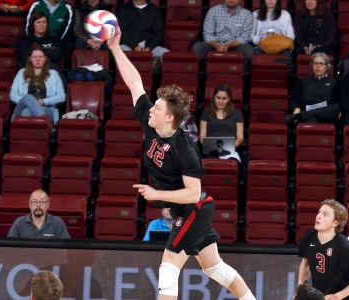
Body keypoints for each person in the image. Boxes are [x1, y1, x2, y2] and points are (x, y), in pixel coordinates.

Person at [108, 26, 256, 300]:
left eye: (158, 108)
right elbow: (134, 83)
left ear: (170, 118)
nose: (151, 108)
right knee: (215, 270)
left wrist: (157, 195)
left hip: (195, 209)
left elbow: (191, 192)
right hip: (185, 211)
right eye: (153, 105)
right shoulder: (151, 123)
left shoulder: (184, 147)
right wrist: (116, 47)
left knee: (168, 268)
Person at [298, 199, 349, 300]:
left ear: (335, 223)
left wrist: (338, 296)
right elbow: (305, 261)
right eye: (319, 212)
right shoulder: (309, 236)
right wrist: (300, 288)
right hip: (320, 297)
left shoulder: (344, 247)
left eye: (325, 214)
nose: (318, 216)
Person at [10, 45, 65, 125]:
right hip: (22, 106)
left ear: (45, 59)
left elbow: (61, 97)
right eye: (34, 57)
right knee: (28, 98)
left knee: (26, 112)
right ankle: (49, 126)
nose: (38, 59)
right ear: (30, 59)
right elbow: (12, 95)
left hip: (46, 108)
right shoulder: (21, 73)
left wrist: (44, 102)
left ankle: (30, 136)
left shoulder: (53, 74)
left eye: (41, 57)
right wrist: (30, 102)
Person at [192, 0, 253, 72]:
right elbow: (208, 33)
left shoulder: (246, 14)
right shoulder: (213, 11)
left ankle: (242, 76)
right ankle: (203, 76)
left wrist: (231, 44)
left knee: (248, 49)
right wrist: (216, 45)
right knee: (198, 47)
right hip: (215, 44)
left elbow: (246, 35)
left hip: (235, 45)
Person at [289, 52, 339, 124]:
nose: (318, 66)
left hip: (326, 114)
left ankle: (301, 115)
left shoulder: (334, 83)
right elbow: (294, 98)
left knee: (336, 108)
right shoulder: (303, 82)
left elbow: (337, 103)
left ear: (327, 66)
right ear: (312, 66)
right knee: (311, 121)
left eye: (321, 63)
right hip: (309, 115)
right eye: (315, 63)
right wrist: (296, 107)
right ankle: (304, 115)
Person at [199, 84, 244, 151]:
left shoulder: (237, 113)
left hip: (231, 150)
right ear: (214, 97)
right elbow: (202, 137)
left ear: (229, 99)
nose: (221, 101)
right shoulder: (206, 112)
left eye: (224, 98)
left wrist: (227, 148)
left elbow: (240, 138)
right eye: (218, 98)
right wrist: (212, 148)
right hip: (211, 150)